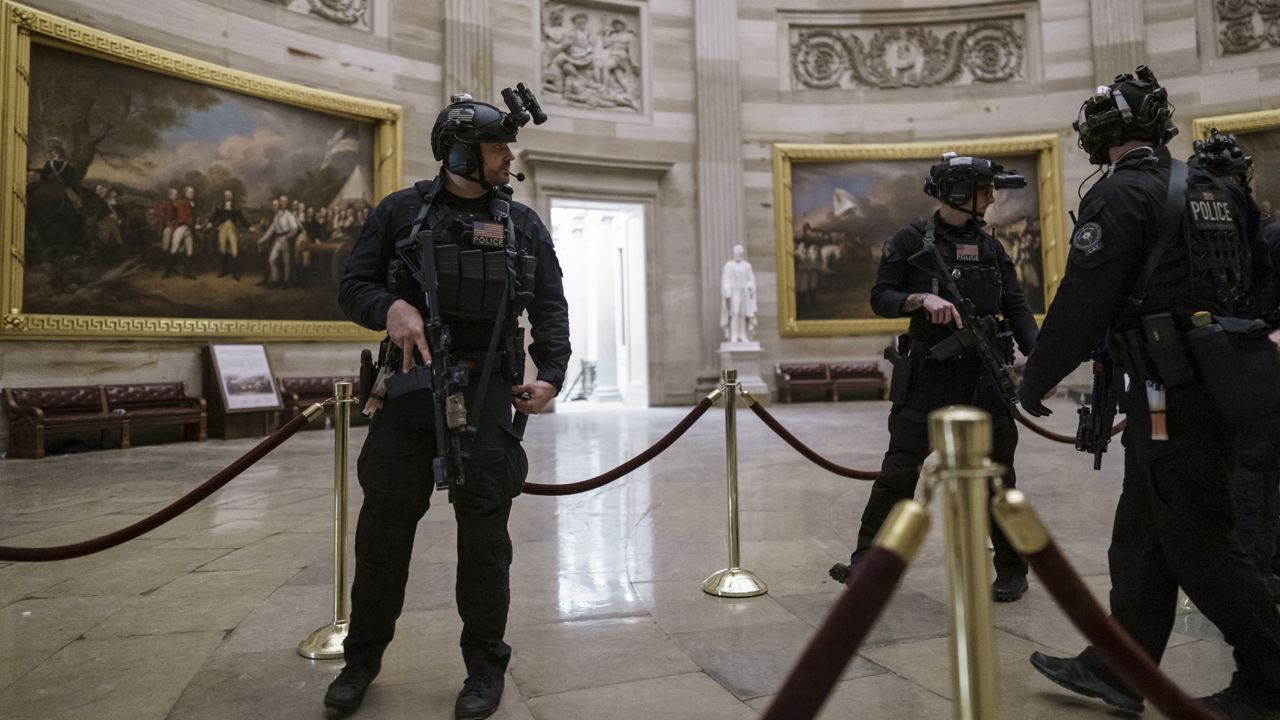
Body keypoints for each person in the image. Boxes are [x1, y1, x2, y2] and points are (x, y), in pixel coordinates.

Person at [1018, 66, 1280, 718]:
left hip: (1169, 391)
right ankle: (1115, 667)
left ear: (1103, 131)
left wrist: (1034, 377)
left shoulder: (1122, 195)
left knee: (1199, 541)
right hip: (1210, 380)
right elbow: (1254, 278)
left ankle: (1272, 674)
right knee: (1141, 536)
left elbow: (1082, 300)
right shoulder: (1214, 186)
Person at [325, 88, 569, 720]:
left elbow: (549, 307)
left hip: (488, 391)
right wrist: (392, 307)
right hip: (409, 388)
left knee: (485, 541)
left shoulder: (522, 224)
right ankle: (361, 662)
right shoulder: (401, 212)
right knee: (383, 535)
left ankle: (485, 667)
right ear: (460, 151)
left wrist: (552, 374)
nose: (507, 157)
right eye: (496, 147)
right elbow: (354, 286)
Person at [827, 151, 1037, 603]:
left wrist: (1038, 361)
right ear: (959, 193)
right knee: (899, 471)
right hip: (929, 376)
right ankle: (867, 564)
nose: (992, 198)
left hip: (984, 376)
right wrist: (919, 299)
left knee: (999, 477)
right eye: (984, 191)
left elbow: (1016, 305)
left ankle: (1011, 570)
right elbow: (881, 297)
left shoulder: (991, 247)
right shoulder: (908, 242)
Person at [720, 244, 757, 343]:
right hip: (734, 291)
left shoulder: (747, 266)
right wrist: (727, 287)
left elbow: (751, 279)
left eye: (740, 253)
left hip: (744, 291)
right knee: (735, 312)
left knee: (743, 313)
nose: (738, 254)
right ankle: (734, 335)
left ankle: (742, 335)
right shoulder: (729, 265)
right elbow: (725, 279)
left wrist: (750, 285)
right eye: (736, 252)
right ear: (734, 253)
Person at [210, 189, 248, 281]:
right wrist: (209, 223)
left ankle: (235, 274)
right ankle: (224, 271)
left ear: (232, 197)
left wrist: (248, 226)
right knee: (222, 249)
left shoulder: (235, 207)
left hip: (231, 229)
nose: (227, 196)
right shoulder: (220, 206)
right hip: (222, 229)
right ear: (224, 197)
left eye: (228, 195)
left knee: (234, 250)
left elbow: (241, 218)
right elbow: (214, 216)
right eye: (225, 195)